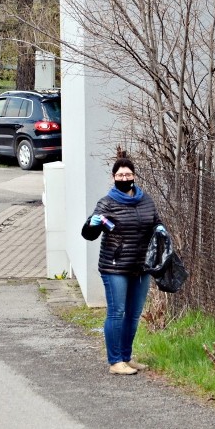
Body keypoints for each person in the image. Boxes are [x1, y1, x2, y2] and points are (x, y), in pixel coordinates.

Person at [81, 155, 165, 375]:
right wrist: (92, 224)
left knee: (134, 314)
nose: (124, 178)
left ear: (134, 176)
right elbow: (89, 234)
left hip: (141, 266)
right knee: (117, 312)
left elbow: (155, 222)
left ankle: (127, 357)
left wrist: (160, 229)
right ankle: (115, 361)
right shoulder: (106, 202)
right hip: (115, 266)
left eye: (128, 174)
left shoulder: (146, 200)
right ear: (113, 178)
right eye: (120, 175)